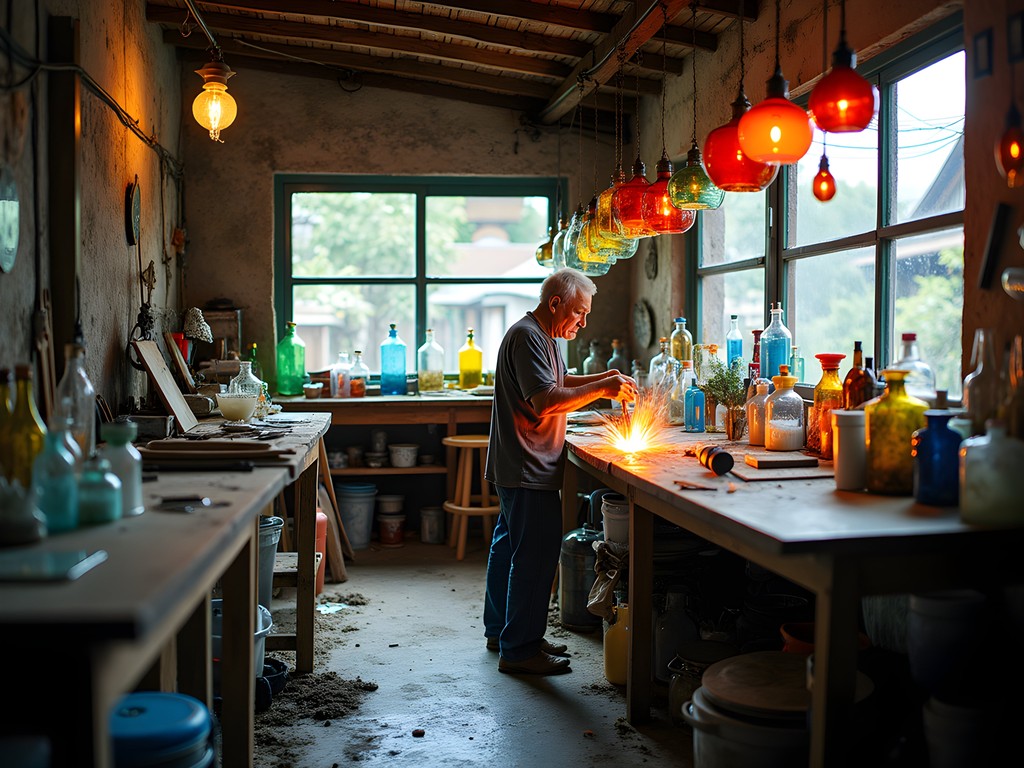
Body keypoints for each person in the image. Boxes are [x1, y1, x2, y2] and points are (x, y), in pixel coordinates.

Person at [483, 268, 637, 675]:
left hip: (519, 462)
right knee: (534, 557)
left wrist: (606, 378)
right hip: (525, 464)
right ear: (556, 304)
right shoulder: (527, 336)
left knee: (509, 548)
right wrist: (603, 391)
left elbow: (562, 380)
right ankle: (520, 650)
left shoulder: (542, 335)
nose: (583, 322)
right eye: (579, 313)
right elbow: (545, 400)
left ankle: (504, 632)